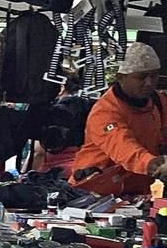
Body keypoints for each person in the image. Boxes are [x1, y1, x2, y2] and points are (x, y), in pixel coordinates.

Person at [70, 42, 167, 196]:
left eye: (153, 75)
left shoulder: (158, 101)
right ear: (120, 77)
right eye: (141, 77)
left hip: (136, 193)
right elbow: (123, 147)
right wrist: (153, 164)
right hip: (94, 194)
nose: (149, 83)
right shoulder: (105, 112)